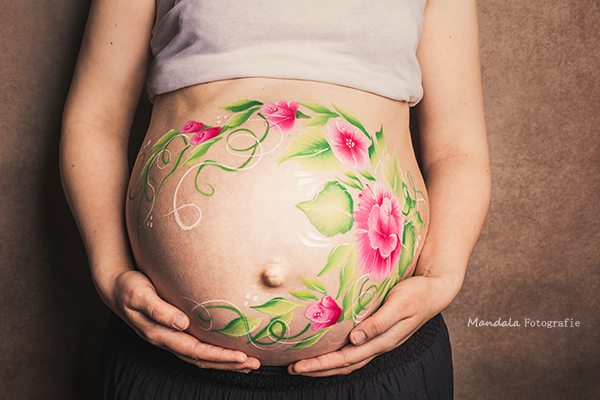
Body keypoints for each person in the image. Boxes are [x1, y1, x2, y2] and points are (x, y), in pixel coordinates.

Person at [60, 0, 491, 398]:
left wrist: (441, 277)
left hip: (375, 365)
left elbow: (458, 150)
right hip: (169, 361)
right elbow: (95, 119)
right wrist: (110, 269)